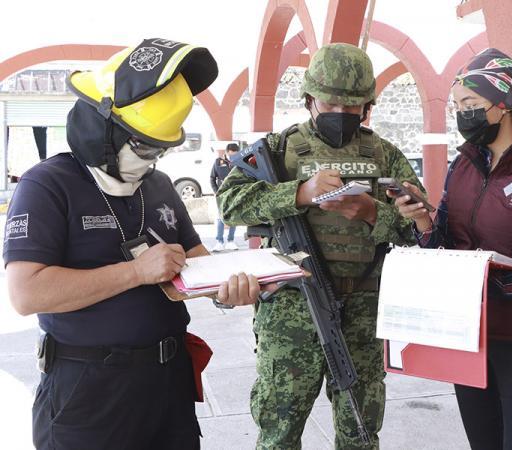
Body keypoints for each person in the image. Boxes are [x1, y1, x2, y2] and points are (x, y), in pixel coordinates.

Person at [3, 39, 264, 450]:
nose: (151, 161)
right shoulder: (48, 184)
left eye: (160, 149)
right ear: (102, 126)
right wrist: (135, 272)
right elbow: (26, 292)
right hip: (89, 390)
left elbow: (198, 260)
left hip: (168, 381)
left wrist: (230, 288)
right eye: (143, 146)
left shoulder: (157, 185)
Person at [217, 43, 422, 449]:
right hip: (291, 313)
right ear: (309, 99)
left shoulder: (385, 154)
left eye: (353, 108)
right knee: (279, 433)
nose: (342, 115)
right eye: (331, 103)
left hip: (363, 313)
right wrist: (299, 193)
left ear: (367, 107)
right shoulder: (278, 149)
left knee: (360, 434)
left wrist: (370, 213)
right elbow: (229, 204)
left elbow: (419, 228)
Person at [394, 48, 512, 450]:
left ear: (507, 105)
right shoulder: (461, 166)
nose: (464, 115)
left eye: (472, 104)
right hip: (469, 338)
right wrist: (421, 220)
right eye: (458, 106)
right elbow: (442, 244)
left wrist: (487, 290)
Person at [210, 142, 239, 251]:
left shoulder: (239, 161)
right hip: (221, 194)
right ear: (226, 152)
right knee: (220, 217)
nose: (233, 157)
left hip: (235, 192)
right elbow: (212, 178)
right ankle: (219, 241)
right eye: (231, 154)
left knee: (233, 216)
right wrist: (216, 192)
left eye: (235, 154)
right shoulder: (218, 162)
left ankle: (231, 240)